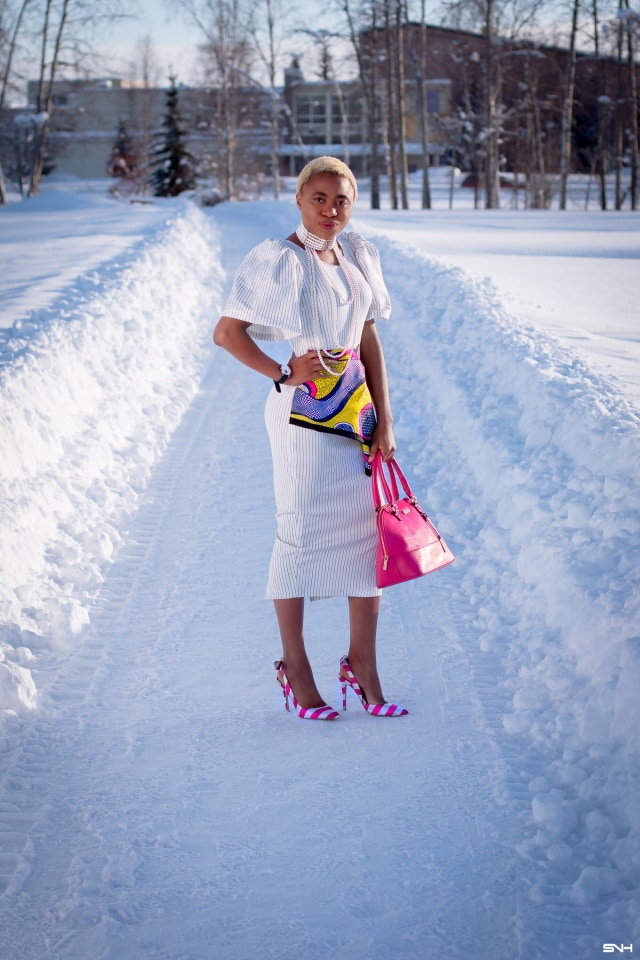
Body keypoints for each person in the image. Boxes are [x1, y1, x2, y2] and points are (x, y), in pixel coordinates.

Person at [213, 156, 407, 720]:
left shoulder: (358, 256)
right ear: (299, 200)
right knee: (299, 531)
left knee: (368, 534)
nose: (330, 210)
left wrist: (385, 419)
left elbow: (367, 338)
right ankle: (296, 667)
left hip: (356, 408)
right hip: (301, 415)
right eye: (319, 199)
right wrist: (281, 371)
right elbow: (227, 333)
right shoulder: (278, 260)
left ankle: (362, 664)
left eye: (341, 200)